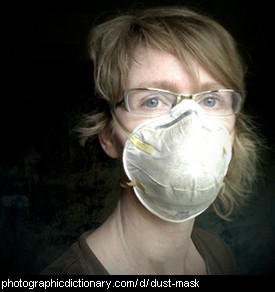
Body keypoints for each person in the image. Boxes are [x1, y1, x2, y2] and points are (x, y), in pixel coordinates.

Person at [41, 6, 261, 275]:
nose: (189, 122)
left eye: (211, 100)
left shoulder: (218, 256)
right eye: (153, 101)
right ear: (108, 135)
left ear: (234, 130)